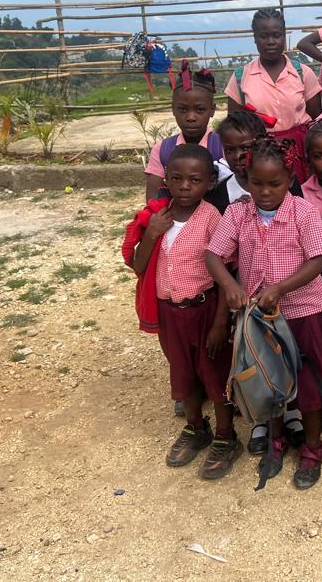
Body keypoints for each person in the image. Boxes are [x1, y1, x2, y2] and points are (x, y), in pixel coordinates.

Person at [205, 137, 322, 490]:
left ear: (290, 179)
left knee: (308, 386)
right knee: (267, 380)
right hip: (261, 320)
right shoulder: (238, 213)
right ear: (246, 178)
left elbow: (318, 259)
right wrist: (230, 285)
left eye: (274, 183)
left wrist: (280, 288)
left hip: (304, 313)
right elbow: (214, 255)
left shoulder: (303, 212)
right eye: (256, 183)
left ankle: (313, 447)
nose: (265, 191)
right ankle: (275, 439)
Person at [130, 144, 241, 479]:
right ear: (166, 178)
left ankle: (226, 435)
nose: (184, 186)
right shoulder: (156, 217)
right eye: (176, 178)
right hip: (170, 313)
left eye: (194, 180)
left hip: (205, 310)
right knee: (182, 373)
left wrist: (221, 322)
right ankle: (196, 427)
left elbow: (225, 274)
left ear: (209, 183)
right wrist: (151, 234)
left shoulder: (211, 218)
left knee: (214, 374)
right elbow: (138, 264)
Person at [225, 8, 322, 179]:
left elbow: (316, 120)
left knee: (301, 198)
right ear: (255, 38)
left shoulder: (302, 73)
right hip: (260, 155)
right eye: (264, 36)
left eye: (277, 35)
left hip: (300, 152)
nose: (271, 41)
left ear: (284, 37)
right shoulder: (241, 78)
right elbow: (235, 127)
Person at [143, 65, 222, 202]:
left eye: (200, 110)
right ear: (173, 109)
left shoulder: (223, 147)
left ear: (212, 110)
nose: (191, 117)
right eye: (183, 109)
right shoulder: (162, 150)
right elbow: (152, 201)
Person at [204, 111, 266, 214]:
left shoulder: (282, 181)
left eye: (246, 148)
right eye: (229, 150)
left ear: (263, 143)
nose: (237, 156)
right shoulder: (219, 195)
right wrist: (231, 215)